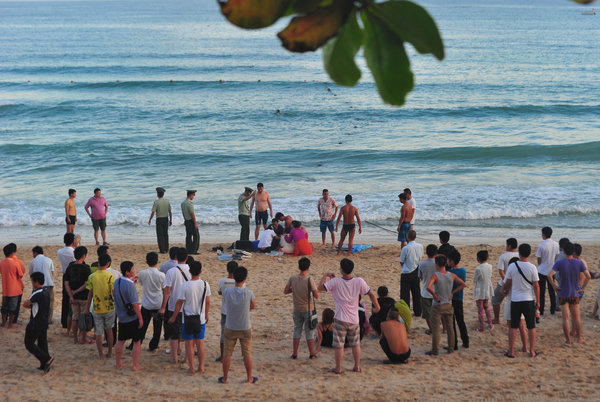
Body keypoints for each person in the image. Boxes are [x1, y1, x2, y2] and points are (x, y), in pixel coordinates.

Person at [318, 258, 380, 374]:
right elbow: (371, 294)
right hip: (354, 319)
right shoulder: (359, 281)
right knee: (356, 344)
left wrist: (325, 275)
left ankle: (338, 368)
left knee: (339, 345)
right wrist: (377, 306)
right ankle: (357, 366)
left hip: (340, 318)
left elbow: (320, 287)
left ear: (341, 270)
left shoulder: (335, 281)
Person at [168, 260, 210, 374]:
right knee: (200, 343)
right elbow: (208, 301)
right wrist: (206, 314)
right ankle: (201, 366)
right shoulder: (205, 284)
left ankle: (191, 368)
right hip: (200, 318)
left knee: (189, 343)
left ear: (190, 271)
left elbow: (180, 302)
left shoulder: (185, 286)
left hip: (187, 319)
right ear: (201, 271)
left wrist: (173, 316)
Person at [501, 243, 540, 358]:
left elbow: (507, 282)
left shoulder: (513, 266)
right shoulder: (532, 267)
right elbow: (536, 286)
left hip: (516, 299)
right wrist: (538, 301)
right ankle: (531, 351)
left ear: (519, 253)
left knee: (513, 326)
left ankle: (511, 351)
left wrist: (505, 291)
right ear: (529, 253)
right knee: (531, 326)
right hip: (528, 299)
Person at [220, 266, 257, 384]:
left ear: (234, 277)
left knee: (227, 354)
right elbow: (253, 306)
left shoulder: (227, 292)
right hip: (245, 326)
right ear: (245, 278)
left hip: (230, 326)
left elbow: (225, 302)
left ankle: (225, 378)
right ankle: (249, 377)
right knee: (247, 354)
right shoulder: (249, 293)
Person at [548, 242, 590, 344]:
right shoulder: (579, 263)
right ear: (573, 252)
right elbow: (588, 276)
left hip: (563, 293)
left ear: (564, 251)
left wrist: (554, 286)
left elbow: (549, 275)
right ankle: (579, 338)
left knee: (565, 318)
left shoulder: (560, 263)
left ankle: (568, 340)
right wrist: (582, 288)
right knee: (576, 317)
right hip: (574, 293)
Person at [425, 255, 466, 356]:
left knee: (436, 329)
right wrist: (453, 293)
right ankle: (451, 348)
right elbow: (463, 284)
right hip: (448, 304)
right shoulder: (451, 275)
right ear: (445, 264)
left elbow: (428, 287)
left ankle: (435, 350)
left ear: (437, 264)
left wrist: (434, 295)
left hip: (438, 305)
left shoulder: (435, 275)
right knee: (450, 328)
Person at [160, 248, 190, 363]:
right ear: (186, 258)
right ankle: (187, 358)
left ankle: (175, 357)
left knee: (173, 333)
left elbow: (167, 291)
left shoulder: (171, 272)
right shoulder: (191, 269)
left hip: (173, 305)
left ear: (176, 257)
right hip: (188, 306)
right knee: (186, 334)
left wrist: (163, 307)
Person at [284, 257, 319, 359]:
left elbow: (285, 291)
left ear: (299, 267)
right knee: (309, 332)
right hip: (308, 309)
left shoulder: (292, 278)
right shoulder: (309, 279)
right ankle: (311, 353)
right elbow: (316, 295)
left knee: (297, 330)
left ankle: (295, 353)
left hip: (297, 308)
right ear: (308, 267)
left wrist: (294, 290)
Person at [85, 253, 116, 360]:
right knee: (109, 330)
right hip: (109, 307)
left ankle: (101, 355)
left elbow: (90, 294)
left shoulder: (92, 277)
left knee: (98, 332)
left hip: (97, 308)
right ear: (108, 264)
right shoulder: (110, 277)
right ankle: (110, 353)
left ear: (98, 263)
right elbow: (113, 292)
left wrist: (87, 308)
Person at [114, 261, 143, 371]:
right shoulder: (129, 285)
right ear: (127, 272)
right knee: (137, 341)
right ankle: (135, 365)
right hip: (131, 317)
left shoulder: (117, 281)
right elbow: (135, 304)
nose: (134, 270)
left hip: (121, 316)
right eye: (132, 269)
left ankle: (118, 363)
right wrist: (140, 318)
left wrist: (132, 283)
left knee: (121, 340)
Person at [23, 272, 54, 373]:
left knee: (29, 343)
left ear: (36, 282)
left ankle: (46, 358)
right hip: (44, 320)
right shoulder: (46, 291)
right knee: (42, 343)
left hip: (36, 322)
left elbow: (26, 304)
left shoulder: (37, 293)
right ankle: (44, 364)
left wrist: (29, 304)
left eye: (32, 281)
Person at [137, 252, 166, 351]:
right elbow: (163, 288)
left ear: (146, 262)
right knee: (157, 327)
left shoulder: (143, 273)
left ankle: (138, 342)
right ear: (157, 262)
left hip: (146, 303)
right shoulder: (162, 275)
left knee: (143, 325)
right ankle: (154, 344)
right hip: (158, 303)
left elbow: (141, 283)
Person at [63, 246, 91, 344]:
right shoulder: (86, 268)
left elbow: (66, 283)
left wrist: (71, 294)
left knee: (75, 317)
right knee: (83, 317)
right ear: (84, 256)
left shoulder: (70, 267)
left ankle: (75, 338)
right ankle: (83, 337)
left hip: (73, 297)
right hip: (83, 296)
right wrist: (76, 291)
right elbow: (86, 284)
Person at [491, 238, 519, 324]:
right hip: (517, 282)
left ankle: (496, 319)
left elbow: (501, 271)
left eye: (506, 245)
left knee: (495, 300)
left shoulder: (504, 256)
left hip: (504, 282)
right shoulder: (519, 255)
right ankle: (511, 320)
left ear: (509, 246)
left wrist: (506, 282)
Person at [216, 261, 238, 362]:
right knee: (236, 333)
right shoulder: (239, 281)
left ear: (227, 270)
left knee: (223, 334)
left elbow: (220, 292)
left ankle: (222, 356)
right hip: (235, 311)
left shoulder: (222, 281)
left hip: (225, 310)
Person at [398, 230, 424, 317]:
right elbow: (420, 257)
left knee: (405, 293)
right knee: (416, 292)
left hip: (406, 272)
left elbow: (401, 261)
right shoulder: (420, 246)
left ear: (407, 237)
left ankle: (406, 312)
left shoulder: (405, 248)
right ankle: (418, 311)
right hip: (416, 270)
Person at [536, 226, 559, 316]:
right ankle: (552, 309)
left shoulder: (542, 245)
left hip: (542, 270)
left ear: (544, 235)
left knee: (541, 291)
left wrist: (541, 264)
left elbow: (539, 259)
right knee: (551, 290)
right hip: (551, 270)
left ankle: (541, 310)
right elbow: (556, 256)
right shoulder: (556, 244)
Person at [448, 250, 469, 349]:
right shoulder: (463, 270)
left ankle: (454, 344)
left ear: (452, 261)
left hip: (451, 299)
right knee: (461, 321)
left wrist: (452, 292)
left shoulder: (449, 273)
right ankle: (466, 342)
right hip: (459, 299)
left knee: (451, 323)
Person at [1, 243, 25, 329]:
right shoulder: (16, 263)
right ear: (13, 252)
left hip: (5, 288)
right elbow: (21, 275)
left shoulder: (2, 263)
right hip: (15, 288)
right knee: (13, 308)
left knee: (4, 307)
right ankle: (10, 324)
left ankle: (3, 323)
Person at [29, 246, 55, 325]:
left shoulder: (33, 261)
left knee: (35, 302)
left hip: (37, 284)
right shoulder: (49, 260)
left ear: (35, 253)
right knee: (49, 302)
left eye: (33, 253)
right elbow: (52, 273)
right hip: (48, 284)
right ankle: (48, 319)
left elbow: (31, 274)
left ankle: (35, 318)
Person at [57, 233, 76, 331]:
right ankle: (72, 320)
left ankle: (64, 321)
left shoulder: (60, 251)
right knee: (74, 298)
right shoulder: (74, 252)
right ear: (73, 241)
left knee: (65, 298)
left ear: (64, 241)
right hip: (74, 275)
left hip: (65, 275)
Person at [418, 244, 438, 334]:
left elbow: (420, 277)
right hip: (437, 291)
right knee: (438, 312)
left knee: (427, 313)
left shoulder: (421, 264)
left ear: (426, 253)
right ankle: (444, 329)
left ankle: (431, 329)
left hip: (426, 292)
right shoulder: (439, 264)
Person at [473, 250, 493, 332]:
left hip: (479, 291)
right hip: (487, 289)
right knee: (487, 307)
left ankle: (482, 327)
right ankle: (490, 324)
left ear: (478, 259)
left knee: (480, 310)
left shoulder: (478, 269)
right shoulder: (490, 266)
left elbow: (475, 280)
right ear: (487, 258)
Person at [148, 187, 172, 254]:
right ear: (163, 194)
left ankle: (162, 250)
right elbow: (170, 211)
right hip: (166, 218)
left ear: (158, 194)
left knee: (160, 235)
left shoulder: (156, 202)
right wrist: (170, 220)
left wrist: (150, 219)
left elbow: (153, 212)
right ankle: (167, 249)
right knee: (165, 234)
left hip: (159, 219)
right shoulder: (167, 201)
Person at [181, 190, 199, 254]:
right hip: (191, 221)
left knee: (188, 235)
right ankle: (194, 250)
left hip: (186, 220)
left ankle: (188, 249)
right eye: (193, 195)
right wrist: (195, 223)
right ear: (191, 195)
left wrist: (185, 219)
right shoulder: (190, 203)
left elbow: (183, 213)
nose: (193, 196)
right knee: (196, 236)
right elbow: (192, 214)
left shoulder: (183, 203)